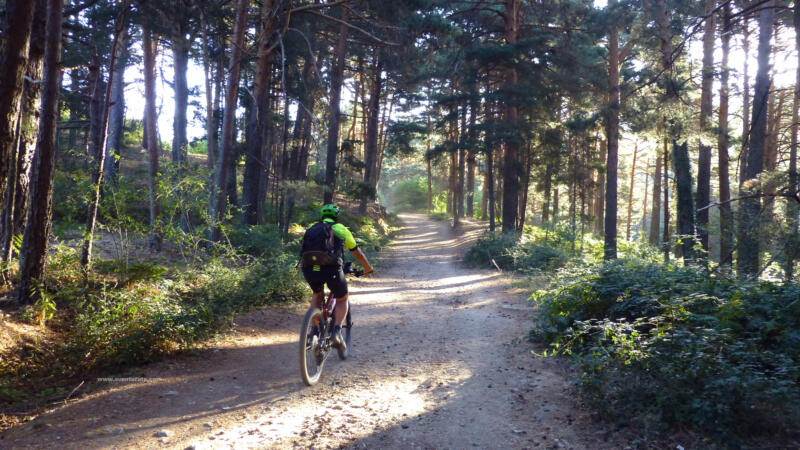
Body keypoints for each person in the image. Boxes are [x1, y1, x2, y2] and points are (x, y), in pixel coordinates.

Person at [300, 204, 373, 351]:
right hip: (331, 270)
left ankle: (313, 330)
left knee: (317, 294)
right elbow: (356, 252)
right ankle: (337, 332)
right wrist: (367, 268)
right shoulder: (341, 229)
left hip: (309, 269)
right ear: (336, 217)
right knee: (342, 298)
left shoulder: (312, 229)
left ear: (322, 216)